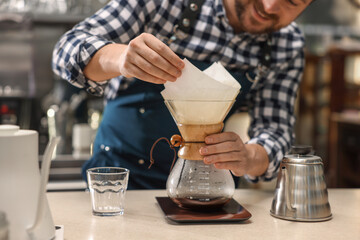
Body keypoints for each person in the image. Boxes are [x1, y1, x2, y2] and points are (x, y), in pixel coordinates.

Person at [52, 0, 314, 189]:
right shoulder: (166, 4)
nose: (269, 6)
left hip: (204, 187)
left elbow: (276, 133)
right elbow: (66, 49)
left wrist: (248, 157)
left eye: (292, 1)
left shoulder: (286, 44)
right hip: (119, 182)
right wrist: (120, 57)